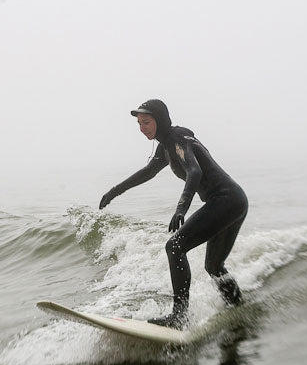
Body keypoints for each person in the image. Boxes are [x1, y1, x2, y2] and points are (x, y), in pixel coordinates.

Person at [99, 99, 248, 329]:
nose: (142, 128)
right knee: (214, 266)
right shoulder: (167, 145)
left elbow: (194, 171)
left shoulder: (176, 138)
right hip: (236, 201)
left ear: (160, 120)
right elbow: (148, 172)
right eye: (139, 124)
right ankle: (239, 308)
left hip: (226, 200)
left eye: (146, 122)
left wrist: (181, 208)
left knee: (175, 247)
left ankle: (179, 318)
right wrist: (114, 191)